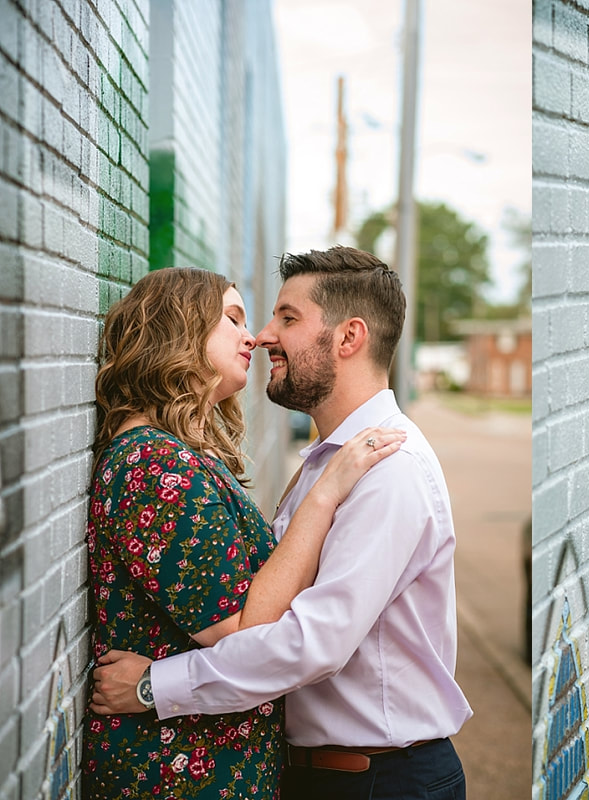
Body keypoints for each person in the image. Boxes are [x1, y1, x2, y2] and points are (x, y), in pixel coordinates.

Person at [91, 247, 472, 799]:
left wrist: (156, 685)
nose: (265, 336)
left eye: (287, 318)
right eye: (244, 319)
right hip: (325, 773)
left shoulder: (389, 467)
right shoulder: (327, 462)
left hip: (377, 779)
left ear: (348, 338)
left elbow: (310, 643)